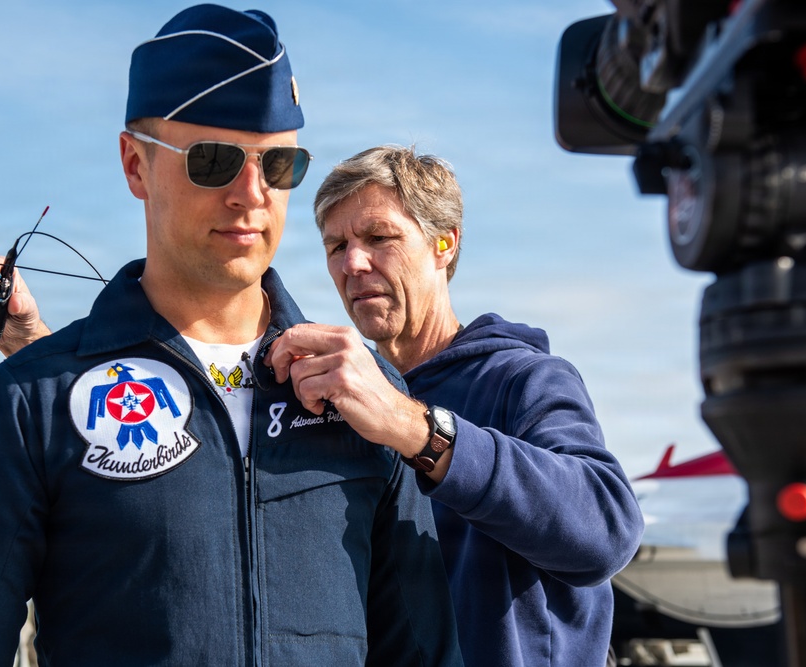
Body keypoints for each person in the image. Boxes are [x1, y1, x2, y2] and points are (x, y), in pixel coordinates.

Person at [0, 7, 462, 666]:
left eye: (279, 163)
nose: (251, 194)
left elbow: (423, 650)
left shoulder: (363, 394)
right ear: (135, 165)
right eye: (213, 160)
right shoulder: (33, 399)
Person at [264, 146, 645, 666]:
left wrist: (416, 430)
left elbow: (607, 529)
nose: (353, 262)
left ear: (444, 244)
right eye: (336, 245)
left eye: (379, 237)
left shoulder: (525, 379)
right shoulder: (336, 401)